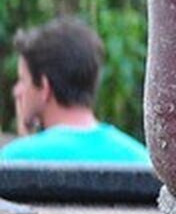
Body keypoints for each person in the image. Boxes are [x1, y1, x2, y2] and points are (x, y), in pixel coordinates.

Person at [6, 18, 150, 164]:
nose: (17, 91)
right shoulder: (142, 161)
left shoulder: (12, 161)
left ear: (45, 87)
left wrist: (25, 144)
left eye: (22, 80)